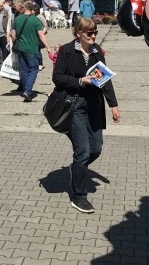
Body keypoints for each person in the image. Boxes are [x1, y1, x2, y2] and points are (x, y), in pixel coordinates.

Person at [53, 17, 120, 214]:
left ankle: (77, 168)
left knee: (96, 149)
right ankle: (79, 195)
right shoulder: (66, 50)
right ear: (78, 34)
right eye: (89, 33)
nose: (93, 36)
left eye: (95, 32)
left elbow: (105, 79)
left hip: (93, 106)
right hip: (74, 106)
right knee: (82, 151)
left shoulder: (97, 51)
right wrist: (81, 81)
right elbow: (57, 78)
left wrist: (113, 105)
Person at [11, 1, 54, 102]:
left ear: (24, 8)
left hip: (21, 48)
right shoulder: (35, 20)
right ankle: (28, 90)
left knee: (24, 70)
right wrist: (48, 47)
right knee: (34, 69)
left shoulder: (17, 19)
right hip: (32, 49)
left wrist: (15, 44)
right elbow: (41, 34)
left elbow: (13, 35)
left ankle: (26, 89)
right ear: (32, 9)